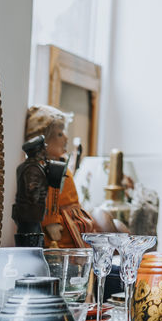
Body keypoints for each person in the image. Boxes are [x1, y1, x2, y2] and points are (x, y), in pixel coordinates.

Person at [24, 104, 95, 248]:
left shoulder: (57, 164)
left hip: (72, 216)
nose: (66, 138)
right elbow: (48, 197)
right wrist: (51, 222)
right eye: (60, 134)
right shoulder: (46, 168)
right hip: (62, 222)